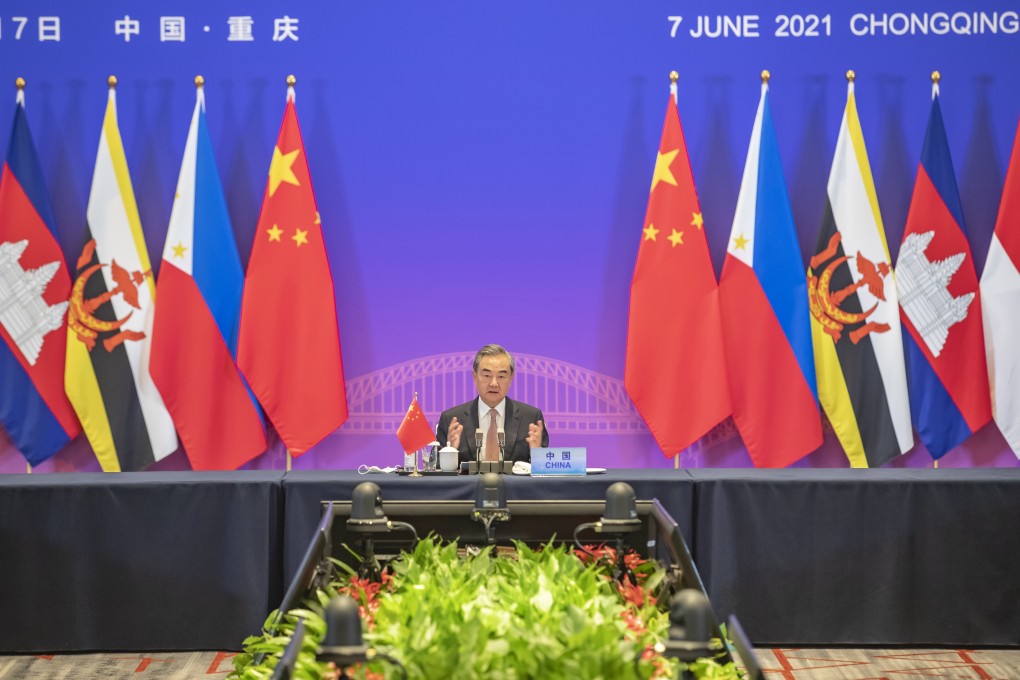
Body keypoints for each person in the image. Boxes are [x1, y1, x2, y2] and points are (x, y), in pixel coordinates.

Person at [436, 344, 549, 465]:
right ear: (475, 376)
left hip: (515, 484)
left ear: (511, 378)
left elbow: (543, 470)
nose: (494, 383)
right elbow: (438, 474)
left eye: (501, 376)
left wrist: (537, 453)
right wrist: (450, 453)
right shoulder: (452, 419)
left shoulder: (531, 418)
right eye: (486, 375)